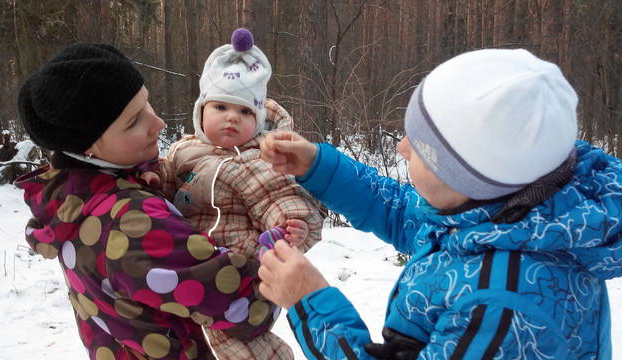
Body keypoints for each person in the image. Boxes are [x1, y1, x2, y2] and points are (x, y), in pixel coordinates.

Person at [258, 48, 622, 359]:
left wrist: (311, 302)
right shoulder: (504, 216)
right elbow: (402, 212)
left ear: (466, 176)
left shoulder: (502, 308)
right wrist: (318, 166)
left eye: (418, 146)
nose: (401, 147)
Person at [14, 43, 280, 360]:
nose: (158, 123)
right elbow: (248, 308)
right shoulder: (132, 225)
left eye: (148, 103)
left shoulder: (69, 200)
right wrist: (274, 252)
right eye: (134, 121)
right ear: (88, 147)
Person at [141, 28, 323, 360]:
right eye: (221, 106)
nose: (231, 117)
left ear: (258, 120)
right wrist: (150, 176)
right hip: (194, 269)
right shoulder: (183, 151)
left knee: (240, 347)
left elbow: (277, 196)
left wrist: (292, 225)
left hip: (242, 274)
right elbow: (164, 187)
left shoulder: (258, 158)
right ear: (200, 112)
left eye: (245, 112)